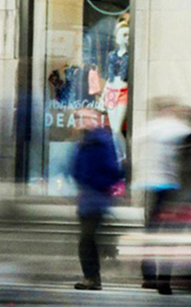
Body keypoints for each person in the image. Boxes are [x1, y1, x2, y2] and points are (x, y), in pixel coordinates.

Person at [140, 97, 191, 295]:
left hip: (156, 186)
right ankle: (162, 279)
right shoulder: (181, 130)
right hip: (173, 189)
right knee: (170, 236)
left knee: (152, 233)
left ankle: (150, 277)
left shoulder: (151, 128)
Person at [70, 108, 123, 291]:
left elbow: (112, 170)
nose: (78, 121)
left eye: (82, 118)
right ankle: (92, 277)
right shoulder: (86, 141)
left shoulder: (100, 141)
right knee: (88, 239)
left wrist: (94, 184)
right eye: (77, 118)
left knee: (87, 239)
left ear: (94, 120)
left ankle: (92, 278)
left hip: (95, 197)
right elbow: (76, 168)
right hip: (88, 197)